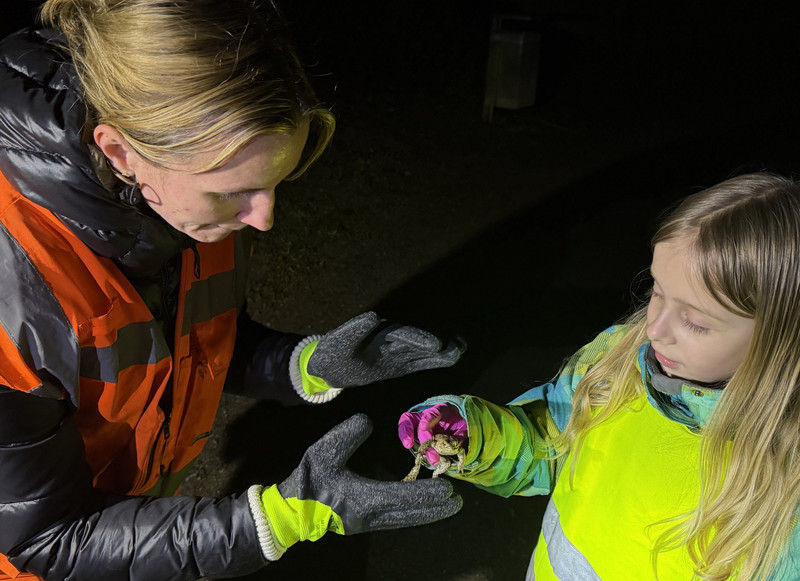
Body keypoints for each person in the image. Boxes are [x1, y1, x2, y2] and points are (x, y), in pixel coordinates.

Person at [0, 1, 465, 579]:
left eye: (275, 182)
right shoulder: (12, 290)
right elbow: (47, 538)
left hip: (131, 520)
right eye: (236, 192)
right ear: (120, 152)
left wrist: (303, 365)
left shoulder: (185, 200)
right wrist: (275, 520)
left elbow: (181, 338)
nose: (264, 218)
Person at [399, 172, 800, 580]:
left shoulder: (787, 488)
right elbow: (551, 441)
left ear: (780, 337)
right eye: (657, 291)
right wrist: (479, 436)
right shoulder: (619, 358)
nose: (654, 328)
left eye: (695, 322)